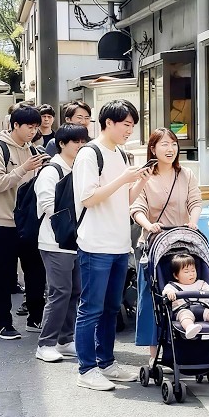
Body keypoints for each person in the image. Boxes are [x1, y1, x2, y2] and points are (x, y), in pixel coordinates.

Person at [72, 99, 149, 391]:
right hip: (95, 243)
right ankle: (86, 369)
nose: (130, 130)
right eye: (126, 124)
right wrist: (123, 179)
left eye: (132, 125)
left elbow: (125, 200)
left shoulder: (121, 154)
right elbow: (88, 198)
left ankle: (106, 362)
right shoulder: (89, 155)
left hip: (119, 244)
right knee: (90, 308)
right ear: (109, 123)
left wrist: (139, 180)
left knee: (111, 308)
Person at [129, 128, 202, 361]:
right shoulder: (145, 177)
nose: (170, 149)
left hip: (182, 245)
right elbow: (136, 208)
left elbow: (195, 201)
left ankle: (189, 347)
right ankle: (153, 353)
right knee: (153, 298)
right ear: (153, 149)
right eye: (164, 145)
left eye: (173, 144)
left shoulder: (186, 174)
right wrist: (148, 225)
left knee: (188, 294)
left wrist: (192, 222)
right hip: (153, 245)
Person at [0, 104, 49, 341]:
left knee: (35, 272)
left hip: (29, 222)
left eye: (35, 127)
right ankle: (2, 323)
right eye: (29, 127)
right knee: (4, 275)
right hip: (3, 222)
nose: (33, 131)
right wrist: (23, 168)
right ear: (15, 126)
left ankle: (35, 317)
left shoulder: (33, 149)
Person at [35, 124, 90, 362]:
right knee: (60, 291)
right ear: (62, 144)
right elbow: (48, 205)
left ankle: (66, 339)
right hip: (55, 241)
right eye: (75, 142)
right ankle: (45, 343)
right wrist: (71, 222)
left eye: (83, 141)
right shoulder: (52, 171)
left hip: (77, 241)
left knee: (75, 291)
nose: (80, 146)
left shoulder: (78, 168)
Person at [163, 253, 209, 339]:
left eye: (193, 270)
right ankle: (189, 328)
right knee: (185, 316)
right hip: (183, 309)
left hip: (202, 309)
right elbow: (166, 291)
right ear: (176, 275)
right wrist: (169, 293)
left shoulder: (201, 283)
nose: (191, 274)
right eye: (186, 271)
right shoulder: (172, 286)